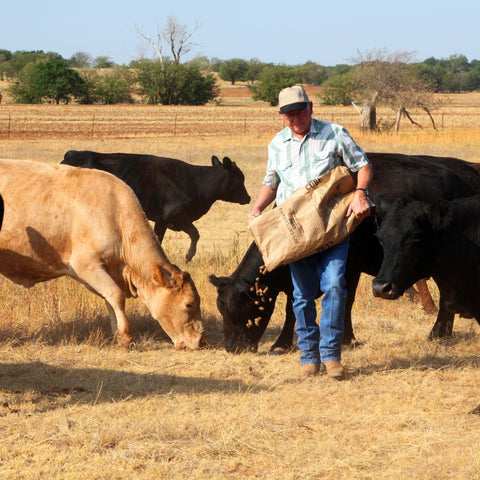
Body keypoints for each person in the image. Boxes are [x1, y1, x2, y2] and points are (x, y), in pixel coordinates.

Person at [247, 85, 372, 380]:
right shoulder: (277, 144)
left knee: (335, 286)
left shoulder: (334, 133)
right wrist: (256, 210)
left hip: (331, 227)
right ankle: (308, 355)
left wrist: (361, 193)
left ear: (310, 107)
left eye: (299, 112)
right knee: (301, 295)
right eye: (288, 114)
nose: (295, 118)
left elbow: (363, 165)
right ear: (281, 116)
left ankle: (331, 356)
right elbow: (271, 182)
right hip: (296, 233)